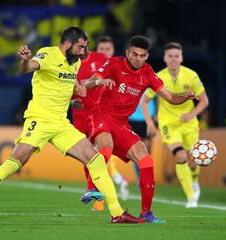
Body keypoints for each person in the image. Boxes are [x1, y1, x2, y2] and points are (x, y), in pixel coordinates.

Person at [0, 27, 142, 224]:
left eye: (85, 48)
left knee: (96, 160)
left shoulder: (74, 63)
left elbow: (72, 86)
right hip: (40, 120)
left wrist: (87, 86)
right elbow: (28, 67)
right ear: (68, 44)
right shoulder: (48, 54)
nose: (83, 52)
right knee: (13, 163)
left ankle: (117, 213)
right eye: (80, 47)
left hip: (60, 124)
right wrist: (25, 60)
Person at [82, 36, 196, 222]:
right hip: (101, 115)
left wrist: (185, 95)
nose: (137, 58)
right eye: (134, 54)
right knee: (106, 146)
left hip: (121, 124)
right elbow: (90, 81)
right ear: (128, 53)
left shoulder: (148, 72)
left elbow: (170, 97)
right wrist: (100, 82)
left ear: (147, 56)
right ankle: (92, 189)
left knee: (145, 159)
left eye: (142, 56)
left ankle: (146, 212)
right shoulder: (115, 63)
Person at [141, 42, 209, 208]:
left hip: (189, 124)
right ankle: (191, 197)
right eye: (170, 56)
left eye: (176, 56)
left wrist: (191, 114)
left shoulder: (191, 76)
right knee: (180, 156)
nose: (173, 59)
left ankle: (194, 179)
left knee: (194, 161)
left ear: (181, 58)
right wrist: (150, 122)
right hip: (168, 124)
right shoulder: (159, 77)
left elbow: (204, 100)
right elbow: (145, 101)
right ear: (164, 58)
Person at [70, 36, 129, 212]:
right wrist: (71, 102)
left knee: (101, 152)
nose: (79, 48)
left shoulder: (101, 60)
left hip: (99, 113)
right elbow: (66, 88)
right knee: (88, 156)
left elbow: (113, 78)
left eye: (81, 44)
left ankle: (98, 195)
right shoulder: (69, 63)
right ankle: (97, 192)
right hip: (79, 115)